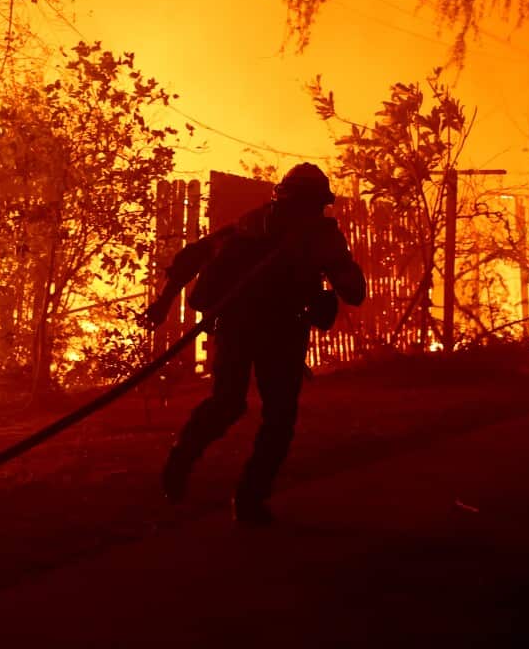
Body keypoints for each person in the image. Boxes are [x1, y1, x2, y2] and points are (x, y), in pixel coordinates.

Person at [141, 163, 366, 525]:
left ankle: (195, 466)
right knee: (272, 415)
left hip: (248, 329)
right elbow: (354, 291)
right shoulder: (313, 234)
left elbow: (195, 256)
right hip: (271, 331)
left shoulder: (255, 223)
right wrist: (332, 280)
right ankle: (245, 496)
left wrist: (164, 302)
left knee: (238, 406)